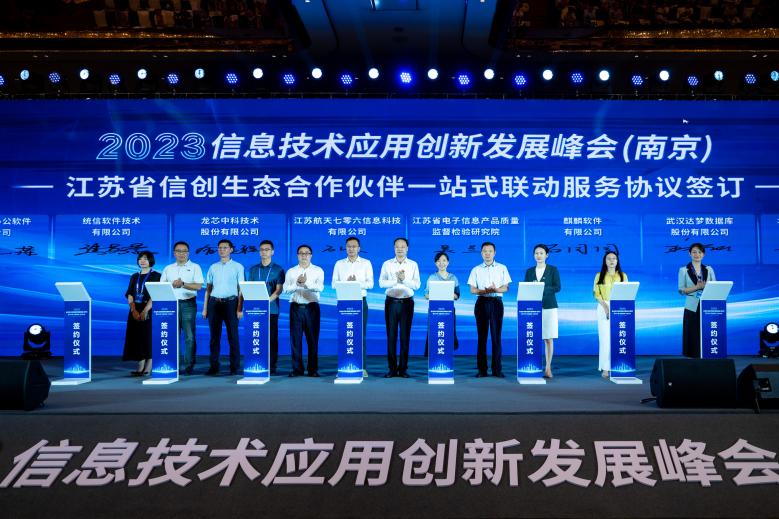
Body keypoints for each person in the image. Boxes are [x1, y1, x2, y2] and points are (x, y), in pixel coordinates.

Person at [331, 236, 374, 377]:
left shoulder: (366, 263)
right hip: (344, 302)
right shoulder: (339, 264)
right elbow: (333, 284)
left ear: (359, 248)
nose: (351, 249)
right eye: (349, 246)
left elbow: (371, 284)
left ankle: (362, 367)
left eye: (354, 246)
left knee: (360, 335)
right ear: (345, 248)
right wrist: (346, 283)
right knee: (345, 334)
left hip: (360, 301)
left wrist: (356, 284)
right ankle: (344, 366)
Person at [379, 237, 420, 378]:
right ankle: (392, 368)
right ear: (394, 248)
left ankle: (403, 369)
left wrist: (404, 280)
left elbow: (416, 285)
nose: (400, 249)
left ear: (407, 248)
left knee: (404, 336)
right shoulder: (387, 264)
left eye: (403, 246)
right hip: (391, 303)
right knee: (391, 336)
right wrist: (395, 280)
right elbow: (381, 283)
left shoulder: (413, 264)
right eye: (397, 246)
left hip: (407, 303)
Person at [468, 242, 511, 378]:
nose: (487, 253)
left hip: (496, 302)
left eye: (490, 251)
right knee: (482, 337)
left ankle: (497, 369)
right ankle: (482, 370)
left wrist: (496, 289)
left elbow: (506, 287)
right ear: (481, 253)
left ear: (494, 253)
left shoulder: (502, 268)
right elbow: (472, 290)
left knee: (496, 337)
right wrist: (484, 291)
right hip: (481, 302)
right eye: (485, 251)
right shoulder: (476, 269)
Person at [160, 241, 203, 375]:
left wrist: (183, 284)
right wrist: (171, 285)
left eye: (184, 251)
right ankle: (174, 364)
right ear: (174, 253)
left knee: (189, 336)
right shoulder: (168, 268)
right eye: (178, 251)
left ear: (188, 253)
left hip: (188, 304)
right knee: (172, 335)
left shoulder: (195, 267)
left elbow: (198, 286)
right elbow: (162, 286)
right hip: (171, 305)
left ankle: (189, 365)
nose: (181, 254)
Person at [202, 239, 244, 376]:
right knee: (214, 337)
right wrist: (205, 308)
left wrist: (239, 309)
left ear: (231, 249)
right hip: (214, 303)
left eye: (225, 247)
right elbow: (208, 289)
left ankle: (234, 367)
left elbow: (241, 289)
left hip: (231, 303)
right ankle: (214, 367)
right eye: (220, 248)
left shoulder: (238, 267)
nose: (222, 250)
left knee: (233, 336)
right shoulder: (213, 267)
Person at [283, 244, 325, 377]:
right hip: (296, 307)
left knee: (313, 339)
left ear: (311, 255)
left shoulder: (318, 270)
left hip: (312, 307)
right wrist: (296, 284)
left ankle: (313, 369)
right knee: (295, 340)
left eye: (307, 253)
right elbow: (285, 289)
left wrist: (306, 284)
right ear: (297, 255)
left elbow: (320, 288)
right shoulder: (291, 271)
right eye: (301, 253)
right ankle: (297, 369)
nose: (304, 255)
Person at [246, 239, 285, 375]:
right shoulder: (253, 269)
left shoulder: (278, 270)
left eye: (267, 249)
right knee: (256, 338)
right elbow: (249, 289)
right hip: (254, 310)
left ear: (272, 252)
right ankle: (257, 362)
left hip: (271, 309)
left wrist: (266, 302)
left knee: (271, 339)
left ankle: (272, 366)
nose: (264, 252)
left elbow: (279, 290)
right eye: (262, 250)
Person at [524, 244, 561, 379]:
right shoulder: (529, 271)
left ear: (547, 255)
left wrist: (541, 288)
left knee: (548, 338)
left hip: (549, 307)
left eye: (541, 253)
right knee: (532, 337)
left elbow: (557, 287)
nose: (538, 256)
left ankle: (548, 368)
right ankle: (532, 365)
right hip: (532, 308)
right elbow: (526, 289)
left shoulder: (553, 269)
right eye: (536, 253)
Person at [122, 250, 161, 376]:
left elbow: (155, 295)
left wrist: (145, 310)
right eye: (140, 258)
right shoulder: (134, 276)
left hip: (149, 308)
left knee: (147, 337)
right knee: (136, 337)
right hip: (135, 308)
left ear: (151, 260)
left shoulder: (157, 276)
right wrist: (133, 310)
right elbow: (130, 294)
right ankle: (140, 366)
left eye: (145, 258)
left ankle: (148, 366)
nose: (142, 261)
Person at [678, 242, 716, 358]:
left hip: (707, 305)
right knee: (692, 332)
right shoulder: (683, 270)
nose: (697, 254)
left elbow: (715, 287)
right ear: (689, 253)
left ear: (703, 254)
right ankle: (692, 356)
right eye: (694, 252)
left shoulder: (709, 269)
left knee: (706, 330)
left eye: (699, 252)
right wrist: (696, 287)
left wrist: (706, 287)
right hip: (691, 305)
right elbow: (681, 290)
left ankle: (708, 352)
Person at [594, 251, 627, 378]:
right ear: (605, 261)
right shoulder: (599, 275)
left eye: (614, 258)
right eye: (609, 258)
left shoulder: (623, 276)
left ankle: (618, 365)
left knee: (619, 338)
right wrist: (606, 307)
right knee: (605, 339)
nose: (612, 261)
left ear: (617, 261)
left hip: (620, 306)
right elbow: (597, 294)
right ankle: (605, 368)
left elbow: (627, 292)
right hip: (604, 307)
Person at [424, 251, 460, 355]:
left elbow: (457, 295)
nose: (441, 263)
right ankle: (433, 356)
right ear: (435, 263)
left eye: (444, 260)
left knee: (448, 333)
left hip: (449, 310)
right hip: (435, 310)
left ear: (448, 262)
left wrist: (447, 292)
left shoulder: (453, 278)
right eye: (439, 261)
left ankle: (447, 355)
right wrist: (438, 293)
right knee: (434, 334)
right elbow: (426, 295)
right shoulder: (432, 277)